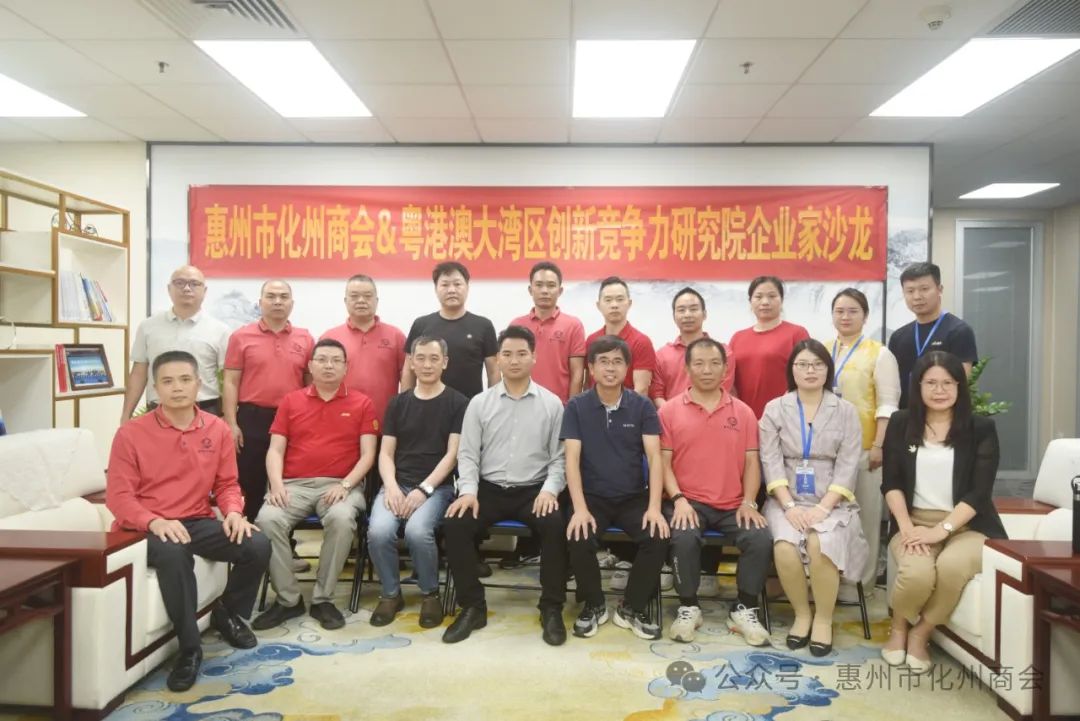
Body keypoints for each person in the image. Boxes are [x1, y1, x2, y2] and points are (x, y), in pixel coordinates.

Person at [106, 350, 269, 692]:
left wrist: (234, 512)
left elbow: (227, 484)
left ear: (199, 384)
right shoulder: (131, 434)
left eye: (184, 380)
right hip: (145, 527)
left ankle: (227, 613)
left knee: (256, 544)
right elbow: (118, 498)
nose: (177, 388)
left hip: (196, 520)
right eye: (167, 381)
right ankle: (190, 649)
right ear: (155, 388)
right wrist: (153, 521)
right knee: (174, 553)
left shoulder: (217, 428)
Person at [440, 326, 568, 645]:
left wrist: (549, 490)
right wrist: (468, 491)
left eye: (521, 354)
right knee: (455, 524)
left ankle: (551, 607)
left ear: (534, 357)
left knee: (555, 525)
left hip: (533, 491)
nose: (514, 360)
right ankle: (473, 606)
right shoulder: (480, 403)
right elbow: (468, 454)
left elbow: (560, 459)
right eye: (507, 354)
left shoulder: (552, 404)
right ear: (498, 359)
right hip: (488, 490)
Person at [880, 351, 1005, 674]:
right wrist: (906, 527)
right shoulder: (901, 423)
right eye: (931, 383)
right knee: (917, 574)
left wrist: (940, 531)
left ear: (960, 386)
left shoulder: (980, 428)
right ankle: (898, 627)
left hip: (968, 525)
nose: (940, 390)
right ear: (918, 386)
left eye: (948, 383)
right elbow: (891, 482)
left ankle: (922, 632)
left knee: (951, 567)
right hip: (913, 521)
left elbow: (979, 493)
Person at [252, 339, 378, 631]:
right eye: (322, 359)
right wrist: (276, 485)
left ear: (346, 367)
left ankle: (323, 599)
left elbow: (368, 454)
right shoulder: (291, 401)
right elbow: (275, 450)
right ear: (310, 365)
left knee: (341, 518)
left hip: (341, 485)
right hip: (293, 485)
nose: (328, 365)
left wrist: (346, 485)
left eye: (336, 360)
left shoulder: (362, 403)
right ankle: (288, 600)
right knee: (267, 519)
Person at [660, 338, 771, 645]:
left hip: (733, 503)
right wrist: (679, 500)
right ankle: (688, 607)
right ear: (687, 368)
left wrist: (749, 502)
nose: (707, 370)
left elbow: (752, 462)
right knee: (683, 537)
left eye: (714, 363)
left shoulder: (744, 412)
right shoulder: (669, 411)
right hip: (687, 501)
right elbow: (663, 463)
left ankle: (744, 607)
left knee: (760, 538)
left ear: (725, 368)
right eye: (699, 363)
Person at [760, 340, 867, 657]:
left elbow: (848, 465)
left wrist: (823, 508)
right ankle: (802, 614)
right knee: (784, 544)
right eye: (803, 364)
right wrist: (789, 506)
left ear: (827, 370)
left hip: (832, 500)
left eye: (818, 364)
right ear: (791, 369)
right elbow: (770, 461)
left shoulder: (845, 411)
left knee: (822, 543)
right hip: (786, 499)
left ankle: (823, 619)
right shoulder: (774, 408)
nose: (810, 370)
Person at [564, 336, 670, 641]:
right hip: (592, 497)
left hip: (632, 497)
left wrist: (654, 508)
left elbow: (655, 457)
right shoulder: (576, 406)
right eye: (604, 362)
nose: (610, 368)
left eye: (617, 362)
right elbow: (571, 459)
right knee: (578, 534)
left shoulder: (642, 406)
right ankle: (594, 604)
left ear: (627, 368)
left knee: (657, 535)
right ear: (591, 367)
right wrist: (579, 509)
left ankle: (631, 607)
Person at [367, 336, 468, 629]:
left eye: (434, 358)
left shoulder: (458, 403)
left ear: (445, 363)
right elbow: (386, 453)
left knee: (417, 531)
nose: (426, 364)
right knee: (378, 532)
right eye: (420, 358)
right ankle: (390, 594)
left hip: (437, 488)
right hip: (397, 484)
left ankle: (430, 594)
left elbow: (452, 455)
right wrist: (391, 487)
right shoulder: (398, 403)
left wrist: (424, 490)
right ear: (411, 362)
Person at [826, 288, 901, 599]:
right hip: (826, 451)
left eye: (853, 311)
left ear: (865, 316)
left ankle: (860, 584)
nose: (845, 317)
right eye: (840, 311)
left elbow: (888, 404)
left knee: (865, 518)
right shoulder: (823, 350)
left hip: (865, 449)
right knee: (830, 520)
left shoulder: (879, 354)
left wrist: (879, 444)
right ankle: (830, 580)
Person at [222, 279, 314, 521]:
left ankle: (285, 541)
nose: (277, 301)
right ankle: (251, 538)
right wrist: (231, 423)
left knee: (287, 482)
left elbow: (309, 384)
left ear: (292, 303)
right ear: (260, 302)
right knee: (251, 481)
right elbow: (230, 382)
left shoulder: (305, 338)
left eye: (283, 297)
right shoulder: (241, 336)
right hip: (252, 418)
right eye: (271, 296)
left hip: (292, 419)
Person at [121, 265, 230, 421]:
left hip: (206, 412)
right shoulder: (148, 327)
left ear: (204, 291)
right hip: (158, 412)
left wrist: (229, 418)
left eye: (194, 284)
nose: (187, 288)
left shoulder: (221, 330)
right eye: (180, 283)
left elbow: (228, 379)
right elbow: (139, 373)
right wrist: (126, 416)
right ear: (169, 289)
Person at [320, 274, 407, 428]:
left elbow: (407, 378)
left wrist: (405, 411)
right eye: (354, 296)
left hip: (385, 422)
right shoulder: (329, 337)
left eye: (367, 296)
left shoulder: (396, 336)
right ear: (345, 301)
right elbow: (318, 382)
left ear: (376, 301)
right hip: (339, 423)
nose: (361, 301)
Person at [888, 262, 978, 408]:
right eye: (910, 291)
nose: (917, 296)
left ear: (939, 289)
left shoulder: (959, 331)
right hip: (906, 415)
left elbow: (960, 382)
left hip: (943, 414)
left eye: (924, 289)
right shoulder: (898, 337)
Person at [403, 262, 498, 399]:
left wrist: (494, 404)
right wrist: (406, 403)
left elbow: (493, 371)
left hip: (471, 405)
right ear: (436, 289)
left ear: (467, 287)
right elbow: (408, 369)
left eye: (457, 284)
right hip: (428, 404)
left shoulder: (484, 325)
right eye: (445, 285)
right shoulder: (421, 324)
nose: (451, 290)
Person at [729, 276, 810, 419]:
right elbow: (729, 380)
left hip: (784, 417)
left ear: (782, 300)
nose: (765, 302)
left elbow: (806, 376)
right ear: (750, 301)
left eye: (772, 296)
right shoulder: (737, 338)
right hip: (744, 418)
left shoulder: (797, 333)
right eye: (758, 297)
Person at [509, 261, 586, 404]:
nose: (545, 291)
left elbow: (577, 373)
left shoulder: (573, 325)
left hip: (560, 406)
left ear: (560, 291)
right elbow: (510, 367)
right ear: (530, 290)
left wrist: (572, 409)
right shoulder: (517, 325)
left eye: (551, 285)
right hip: (521, 403)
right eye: (539, 285)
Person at [651, 287, 735, 407]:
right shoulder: (662, 355)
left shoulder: (724, 353)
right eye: (681, 310)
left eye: (693, 309)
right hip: (672, 416)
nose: (687, 315)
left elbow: (722, 391)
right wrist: (674, 414)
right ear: (674, 316)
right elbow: (657, 394)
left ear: (704, 314)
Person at [585, 277, 656, 395]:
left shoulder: (641, 342)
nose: (614, 305)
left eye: (619, 299)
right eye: (608, 300)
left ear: (629, 303)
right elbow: (589, 382)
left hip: (629, 406)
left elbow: (641, 390)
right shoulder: (591, 340)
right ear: (598, 305)